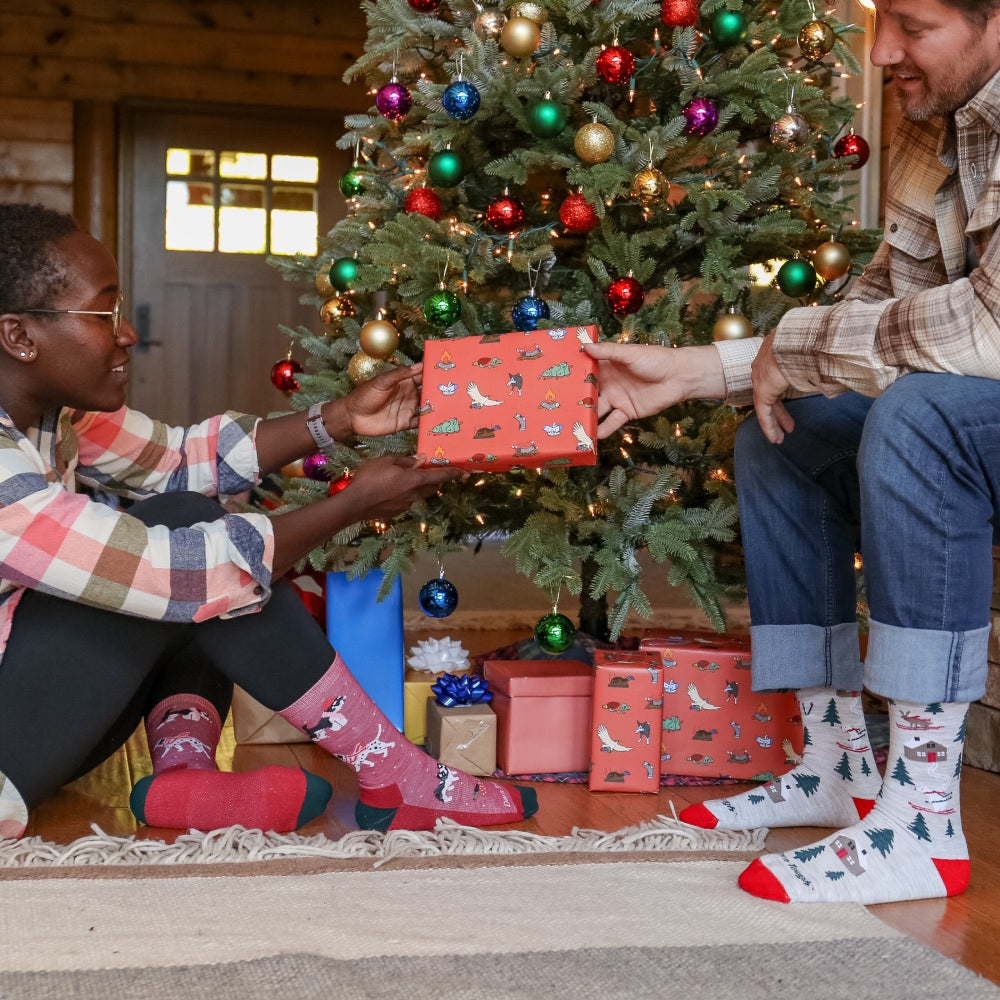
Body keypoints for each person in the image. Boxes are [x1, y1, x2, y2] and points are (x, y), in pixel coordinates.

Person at [585, 0, 1000, 905]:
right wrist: (697, 372)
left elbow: (986, 329)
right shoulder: (941, 134)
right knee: (787, 436)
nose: (883, 50)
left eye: (913, 24)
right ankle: (835, 760)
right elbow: (868, 319)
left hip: (974, 396)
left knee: (920, 416)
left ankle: (924, 819)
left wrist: (796, 348)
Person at [0, 202, 536, 840]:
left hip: (39, 723)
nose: (126, 334)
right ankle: (396, 775)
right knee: (181, 551)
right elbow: (176, 572)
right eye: (103, 313)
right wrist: (350, 506)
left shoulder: (57, 415)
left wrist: (336, 420)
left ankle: (182, 775)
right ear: (20, 337)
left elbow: (179, 460)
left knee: (184, 520)